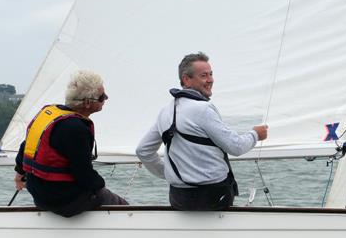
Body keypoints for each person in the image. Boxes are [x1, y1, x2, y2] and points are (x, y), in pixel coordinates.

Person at [136, 52, 268, 210]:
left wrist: (170, 174)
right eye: (204, 75)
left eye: (211, 74)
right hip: (213, 198)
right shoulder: (202, 109)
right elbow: (236, 147)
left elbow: (143, 150)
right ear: (186, 79)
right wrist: (255, 134)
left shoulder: (166, 111)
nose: (210, 80)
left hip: (179, 199)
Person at [14, 70, 128, 217]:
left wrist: (19, 172)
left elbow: (26, 147)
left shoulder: (47, 115)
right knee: (122, 206)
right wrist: (100, 185)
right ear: (87, 103)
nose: (106, 98)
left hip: (39, 197)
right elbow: (83, 173)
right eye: (102, 97)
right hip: (64, 201)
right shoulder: (76, 129)